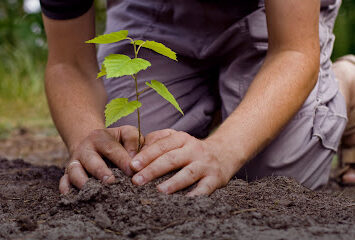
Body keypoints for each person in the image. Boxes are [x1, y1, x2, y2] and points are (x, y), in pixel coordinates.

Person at [40, 0, 355, 195]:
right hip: (154, 7)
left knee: (272, 172)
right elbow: (69, 62)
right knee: (132, 161)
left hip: (276, 13)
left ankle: (345, 85)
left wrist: (223, 150)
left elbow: (293, 50)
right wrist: (86, 137)